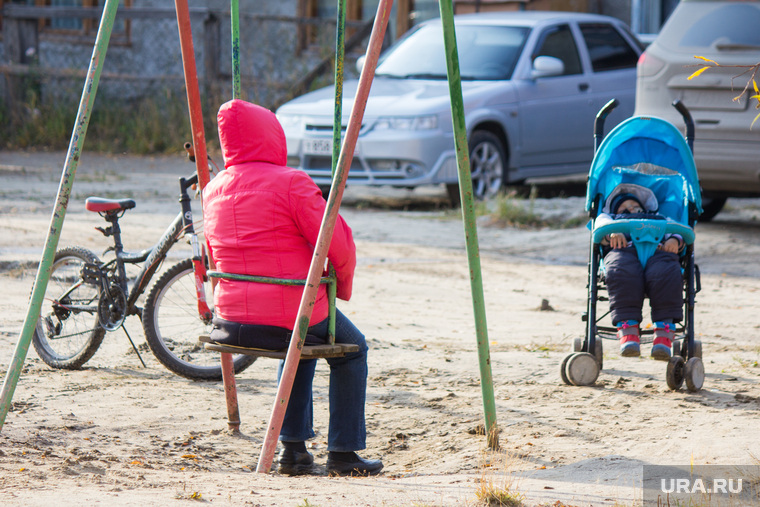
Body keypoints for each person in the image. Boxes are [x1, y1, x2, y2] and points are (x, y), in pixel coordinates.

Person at [202, 99, 383, 477]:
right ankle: (344, 453)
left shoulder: (214, 189)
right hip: (288, 313)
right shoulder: (291, 183)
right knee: (351, 349)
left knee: (298, 339)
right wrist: (341, 287)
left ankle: (294, 451)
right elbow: (336, 244)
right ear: (272, 136)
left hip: (230, 317)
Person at [596, 185, 685, 360]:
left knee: (667, 273)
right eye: (624, 207)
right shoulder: (611, 218)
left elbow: (677, 229)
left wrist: (674, 239)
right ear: (615, 210)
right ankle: (628, 329)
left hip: (659, 253)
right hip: (623, 252)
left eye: (635, 206)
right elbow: (600, 225)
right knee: (621, 271)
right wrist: (612, 230)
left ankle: (664, 331)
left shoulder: (659, 218)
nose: (630, 209)